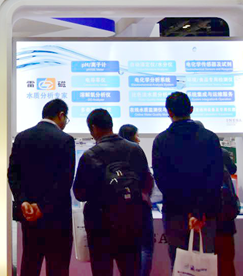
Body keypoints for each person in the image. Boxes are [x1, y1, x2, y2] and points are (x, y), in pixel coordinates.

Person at [74, 110, 152, 276]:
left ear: (93, 128)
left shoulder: (90, 155)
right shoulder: (135, 150)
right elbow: (146, 182)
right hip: (131, 221)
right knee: (131, 270)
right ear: (111, 124)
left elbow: (80, 193)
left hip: (100, 224)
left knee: (102, 270)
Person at [153, 92, 223, 270]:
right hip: (205, 213)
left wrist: (185, 210)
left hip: (175, 212)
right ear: (191, 109)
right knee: (203, 264)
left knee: (179, 264)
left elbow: (162, 180)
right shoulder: (210, 138)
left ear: (169, 112)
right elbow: (215, 178)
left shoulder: (161, 140)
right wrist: (198, 211)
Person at [8, 99, 76, 276]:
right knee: (58, 267)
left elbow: (13, 174)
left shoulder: (22, 137)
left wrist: (23, 201)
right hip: (57, 217)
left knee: (30, 263)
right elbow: (65, 181)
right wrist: (43, 207)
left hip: (29, 215)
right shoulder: (66, 140)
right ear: (61, 115)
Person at [116, 123, 154, 276]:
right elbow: (147, 178)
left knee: (127, 249)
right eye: (137, 135)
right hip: (141, 205)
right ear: (131, 136)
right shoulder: (137, 151)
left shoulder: (115, 153)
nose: (139, 139)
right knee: (145, 248)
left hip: (120, 208)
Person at [216, 145, 238, 276]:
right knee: (226, 264)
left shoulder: (191, 156)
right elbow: (233, 169)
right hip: (225, 221)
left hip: (201, 220)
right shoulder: (222, 152)